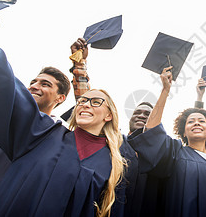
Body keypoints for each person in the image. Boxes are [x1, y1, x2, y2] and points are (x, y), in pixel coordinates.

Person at [0, 1, 125, 216]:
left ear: (110, 114)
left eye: (95, 102)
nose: (84, 103)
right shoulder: (45, 134)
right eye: (82, 101)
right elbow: (8, 92)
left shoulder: (115, 160)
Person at [0, 27, 70, 216]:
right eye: (33, 82)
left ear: (60, 98)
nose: (34, 86)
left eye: (45, 84)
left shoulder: (54, 138)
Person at [70, 37, 164, 217]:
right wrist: (80, 62)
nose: (142, 116)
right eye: (138, 112)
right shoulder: (114, 141)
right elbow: (90, 107)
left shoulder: (161, 153)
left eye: (148, 115)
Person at [128, 67, 206, 217]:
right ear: (184, 132)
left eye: (201, 121)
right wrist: (165, 91)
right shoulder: (175, 153)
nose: (196, 123)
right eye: (190, 122)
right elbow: (151, 132)